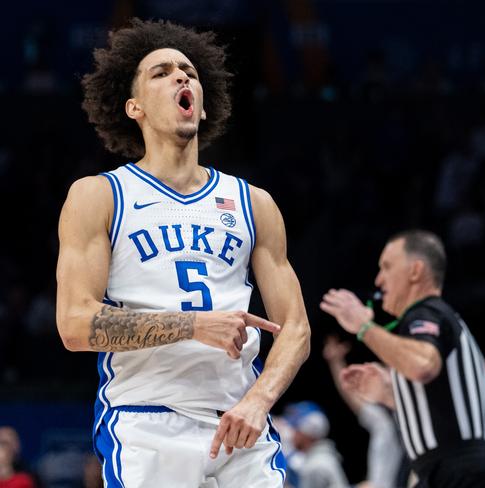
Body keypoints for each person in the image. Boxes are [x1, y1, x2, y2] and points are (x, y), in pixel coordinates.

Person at [55, 19, 310, 487]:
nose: (181, 77)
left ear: (204, 102)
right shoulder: (101, 196)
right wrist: (194, 325)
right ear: (133, 107)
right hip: (147, 421)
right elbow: (74, 324)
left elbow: (295, 327)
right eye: (162, 72)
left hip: (240, 425)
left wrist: (259, 400)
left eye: (189, 71)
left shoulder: (254, 203)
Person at [320, 230, 485, 487]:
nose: (378, 279)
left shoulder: (428, 311)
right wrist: (390, 393)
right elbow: (441, 401)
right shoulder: (435, 318)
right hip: (446, 472)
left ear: (416, 271)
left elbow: (423, 365)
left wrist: (365, 327)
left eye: (386, 267)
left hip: (460, 474)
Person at [322, 336, 405, 488]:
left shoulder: (415, 414)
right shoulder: (382, 419)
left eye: (388, 370)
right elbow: (350, 393)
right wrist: (335, 362)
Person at [283, 402, 349, 488]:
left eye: (295, 429)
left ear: (306, 433)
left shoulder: (315, 465)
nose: (292, 434)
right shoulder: (324, 456)